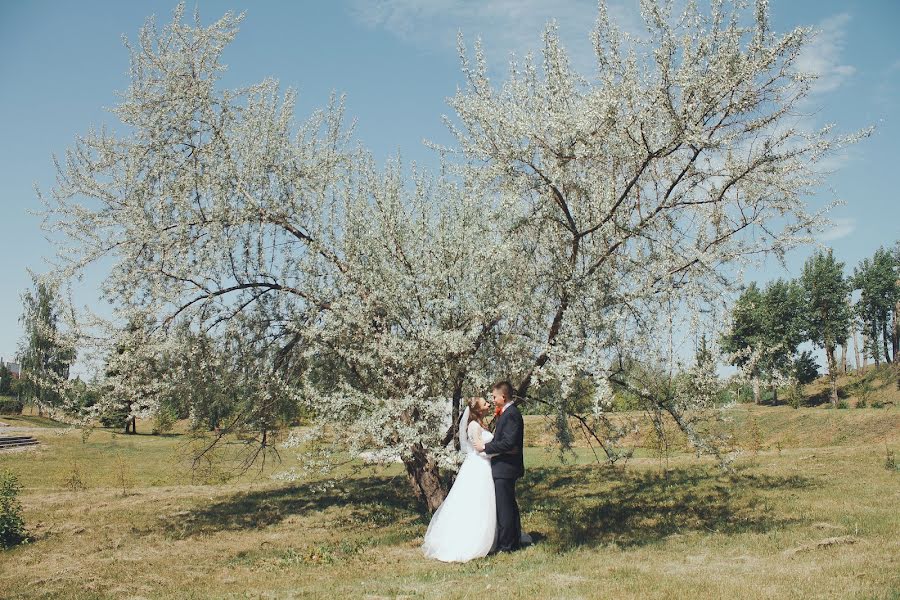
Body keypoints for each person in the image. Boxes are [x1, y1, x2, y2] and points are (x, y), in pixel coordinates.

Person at [421, 397, 497, 562]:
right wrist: (498, 452)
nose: (488, 405)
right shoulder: (474, 426)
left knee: (484, 501)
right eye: (485, 404)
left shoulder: (481, 424)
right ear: (477, 410)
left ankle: (487, 537)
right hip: (479, 466)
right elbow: (479, 449)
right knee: (477, 502)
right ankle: (473, 541)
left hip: (482, 465)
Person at [474, 380, 526, 553]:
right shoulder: (507, 413)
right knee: (509, 505)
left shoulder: (511, 414)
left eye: (494, 397)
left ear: (503, 397)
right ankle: (514, 540)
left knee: (504, 508)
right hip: (504, 467)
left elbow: (509, 444)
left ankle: (506, 546)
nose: (493, 400)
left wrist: (486, 448)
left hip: (505, 468)